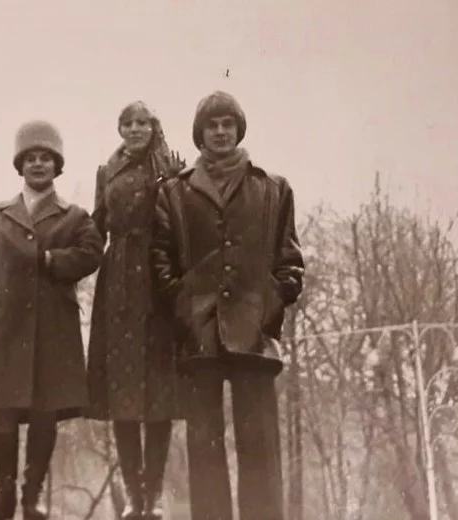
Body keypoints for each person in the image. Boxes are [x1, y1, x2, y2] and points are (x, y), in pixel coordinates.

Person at [151, 91, 305, 520]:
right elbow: (160, 260)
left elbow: (290, 261)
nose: (220, 132)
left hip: (254, 334)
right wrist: (184, 305)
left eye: (227, 124)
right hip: (198, 334)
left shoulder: (273, 187)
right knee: (204, 444)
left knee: (260, 445)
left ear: (239, 129)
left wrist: (269, 307)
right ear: (199, 134)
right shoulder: (175, 192)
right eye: (211, 125)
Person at [0, 120, 104, 520]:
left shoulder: (74, 216)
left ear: (57, 166)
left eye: (46, 158)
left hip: (53, 332)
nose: (38, 165)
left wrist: (53, 261)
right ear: (19, 165)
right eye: (30, 158)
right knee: (2, 410)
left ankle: (31, 496)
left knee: (44, 411)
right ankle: (3, 496)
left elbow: (93, 253)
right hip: (5, 329)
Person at [86, 101, 184, 519]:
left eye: (142, 122)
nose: (135, 129)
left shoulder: (169, 163)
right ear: (119, 128)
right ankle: (134, 495)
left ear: (153, 126)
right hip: (118, 283)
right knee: (122, 393)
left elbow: (180, 216)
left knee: (159, 391)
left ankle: (156, 493)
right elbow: (96, 224)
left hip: (158, 277)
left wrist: (175, 180)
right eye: (128, 123)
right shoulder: (106, 171)